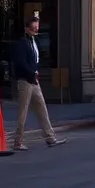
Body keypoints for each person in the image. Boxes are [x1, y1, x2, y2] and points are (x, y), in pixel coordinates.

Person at [11, 15, 68, 150]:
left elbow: (35, 60)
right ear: (27, 29)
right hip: (25, 81)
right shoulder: (22, 43)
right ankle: (17, 141)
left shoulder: (33, 42)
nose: (36, 30)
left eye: (37, 28)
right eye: (33, 28)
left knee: (42, 108)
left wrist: (35, 72)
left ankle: (50, 137)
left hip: (34, 81)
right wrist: (32, 72)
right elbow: (21, 62)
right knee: (23, 112)